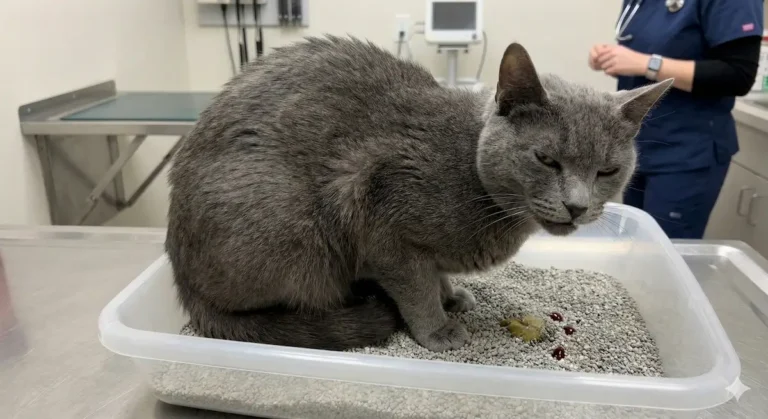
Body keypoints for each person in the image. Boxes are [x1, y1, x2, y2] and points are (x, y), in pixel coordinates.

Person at [588, 0, 764, 239]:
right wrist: (613, 58)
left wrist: (647, 64)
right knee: (632, 245)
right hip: (639, 146)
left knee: (666, 252)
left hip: (686, 152)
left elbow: (737, 75)